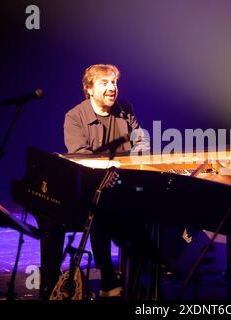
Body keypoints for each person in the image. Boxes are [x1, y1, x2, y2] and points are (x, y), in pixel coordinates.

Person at [64, 64, 150, 298]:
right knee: (100, 215)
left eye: (114, 82)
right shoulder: (75, 116)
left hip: (127, 185)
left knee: (151, 210)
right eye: (105, 83)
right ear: (89, 89)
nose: (112, 88)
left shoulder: (125, 110)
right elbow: (81, 156)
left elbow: (141, 142)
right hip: (92, 189)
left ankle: (141, 275)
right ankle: (108, 280)